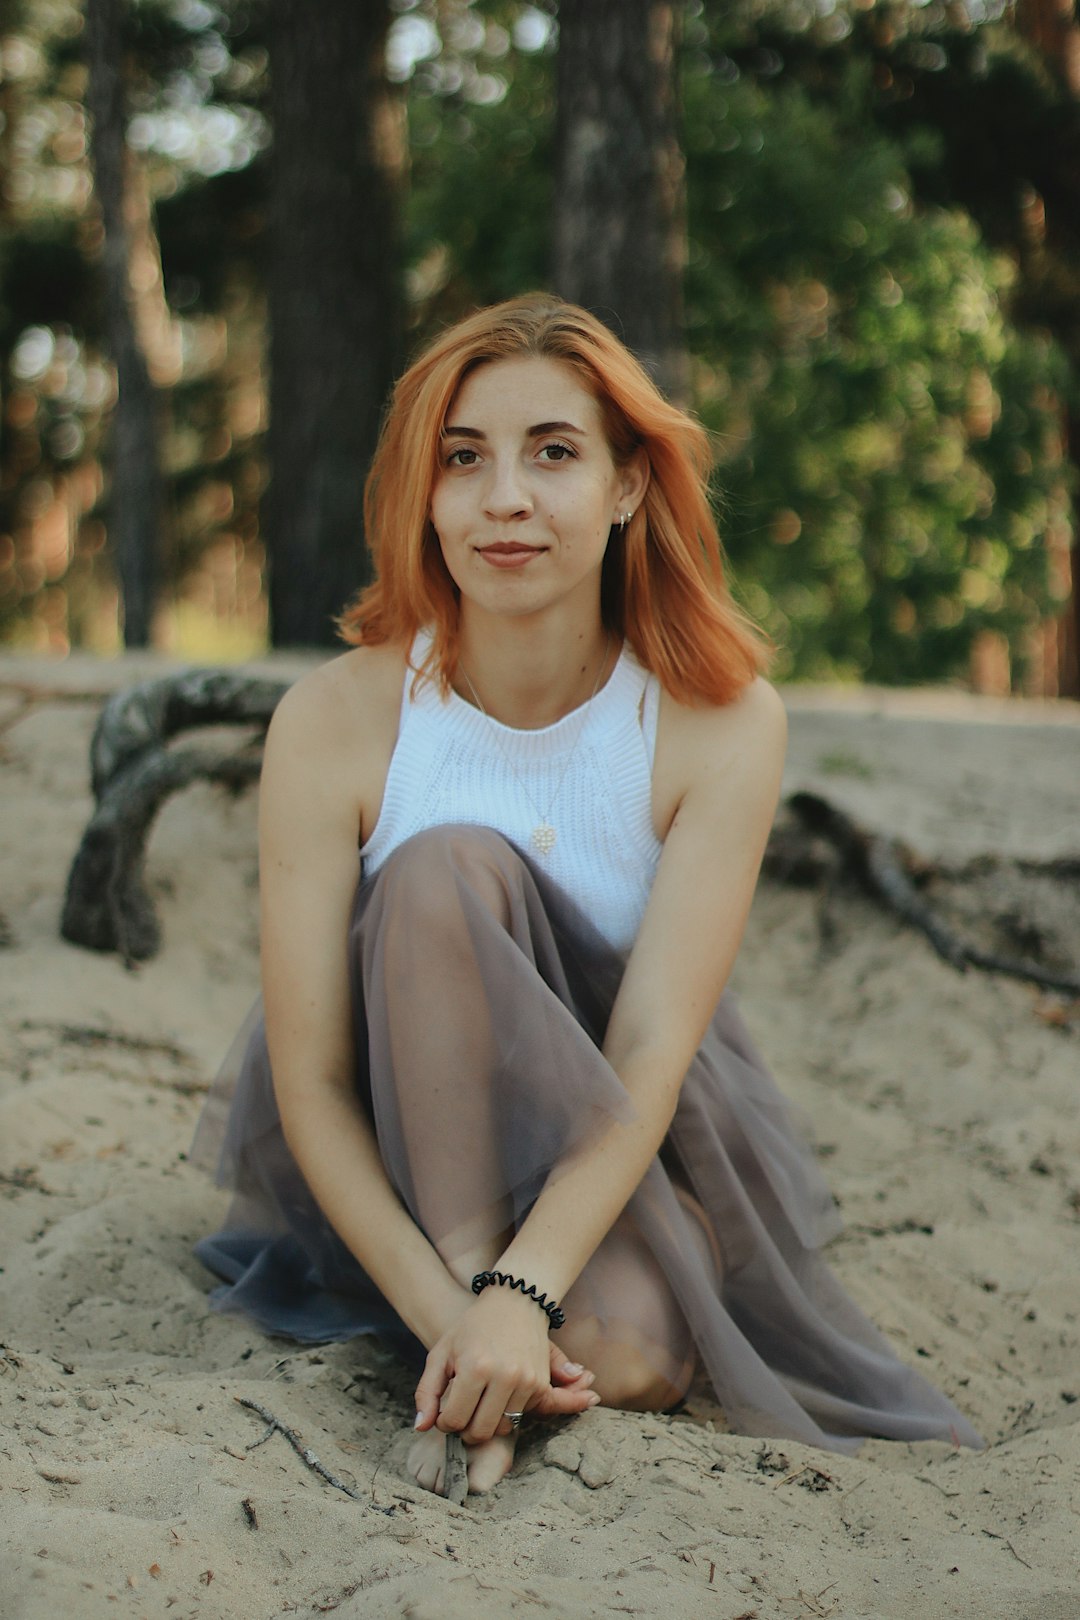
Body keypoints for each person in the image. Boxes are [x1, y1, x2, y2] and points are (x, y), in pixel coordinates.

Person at [193, 294, 980, 1496]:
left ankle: (553, 1303)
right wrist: (466, 1310)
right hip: (403, 1143)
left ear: (627, 487)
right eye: (464, 460)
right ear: (425, 493)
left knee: (629, 1355)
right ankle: (463, 1323)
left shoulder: (719, 724)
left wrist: (529, 1293)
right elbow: (311, 1083)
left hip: (617, 1142)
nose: (504, 498)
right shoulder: (335, 722)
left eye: (552, 453)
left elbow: (656, 1050)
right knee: (446, 867)